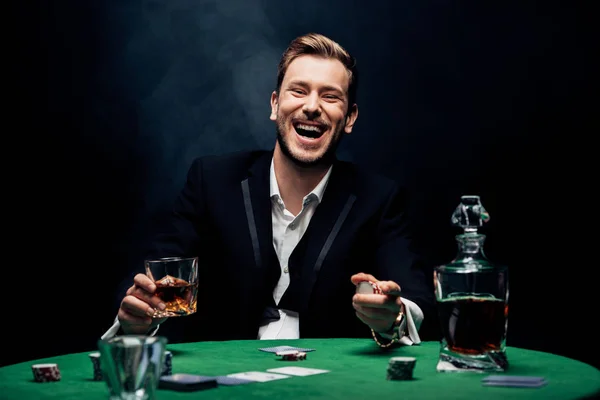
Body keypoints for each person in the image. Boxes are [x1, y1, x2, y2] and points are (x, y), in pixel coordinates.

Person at [102, 32, 438, 347]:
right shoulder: (212, 180)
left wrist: (393, 315)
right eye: (299, 90)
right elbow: (154, 276)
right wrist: (138, 316)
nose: (311, 106)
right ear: (275, 104)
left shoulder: (379, 199)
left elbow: (414, 299)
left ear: (349, 118)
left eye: (330, 96)